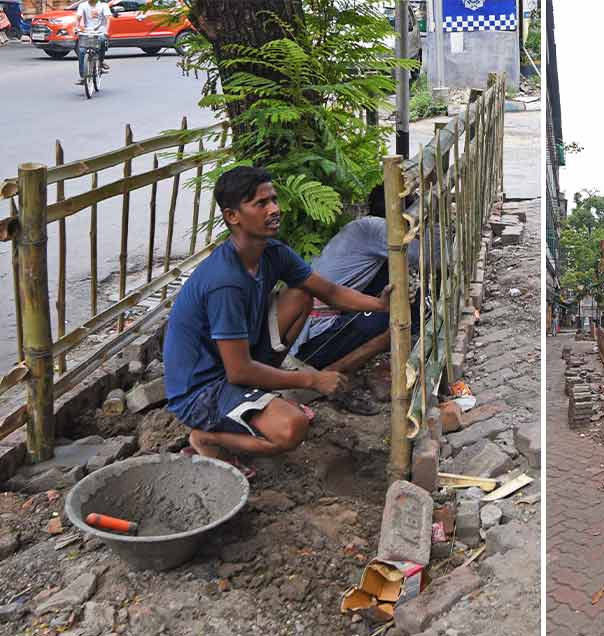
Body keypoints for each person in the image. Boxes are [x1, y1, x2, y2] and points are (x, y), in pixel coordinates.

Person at [163, 166, 393, 467]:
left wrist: (379, 304)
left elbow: (331, 292)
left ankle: (258, 401)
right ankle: (207, 438)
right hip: (201, 391)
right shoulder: (225, 282)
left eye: (273, 199)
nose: (274, 209)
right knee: (291, 428)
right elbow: (239, 371)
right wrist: (313, 379)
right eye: (261, 204)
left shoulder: (272, 252)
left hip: (232, 364)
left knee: (300, 296)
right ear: (233, 216)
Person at [288, 184, 429, 414]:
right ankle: (329, 377)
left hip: (312, 327)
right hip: (313, 338)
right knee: (398, 316)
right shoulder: (377, 229)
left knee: (396, 292)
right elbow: (428, 256)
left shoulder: (362, 228)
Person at [74, 0, 111, 85]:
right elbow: (78, 18)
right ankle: (83, 76)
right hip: (87, 31)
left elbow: (108, 19)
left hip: (100, 32)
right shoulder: (82, 5)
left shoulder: (103, 6)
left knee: (102, 41)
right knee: (82, 51)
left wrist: (106, 31)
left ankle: (100, 62)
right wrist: (76, 27)